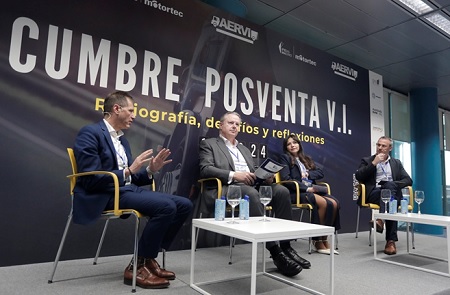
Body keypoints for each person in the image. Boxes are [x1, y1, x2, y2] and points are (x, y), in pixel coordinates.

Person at [73, 91, 193, 289]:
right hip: (105, 194)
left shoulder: (122, 140)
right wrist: (128, 170)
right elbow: (90, 179)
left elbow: (134, 177)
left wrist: (150, 169)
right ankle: (137, 266)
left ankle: (147, 259)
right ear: (116, 109)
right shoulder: (90, 133)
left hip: (127, 191)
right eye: (130, 110)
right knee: (166, 207)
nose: (134, 115)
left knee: (184, 204)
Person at [198, 111, 311, 277]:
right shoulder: (209, 144)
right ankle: (276, 252)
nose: (234, 126)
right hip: (226, 188)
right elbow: (205, 169)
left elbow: (252, 172)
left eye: (237, 124)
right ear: (220, 125)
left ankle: (286, 246)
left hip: (250, 185)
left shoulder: (243, 148)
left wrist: (266, 177)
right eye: (230, 123)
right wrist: (234, 175)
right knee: (249, 193)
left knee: (281, 191)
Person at [279, 134, 340, 255]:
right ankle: (317, 241)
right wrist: (306, 189)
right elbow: (286, 179)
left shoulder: (306, 158)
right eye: (289, 144)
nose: (292, 145)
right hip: (297, 192)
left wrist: (308, 174)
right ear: (286, 147)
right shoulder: (284, 158)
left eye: (294, 142)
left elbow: (320, 172)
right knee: (323, 203)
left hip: (312, 189)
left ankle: (324, 238)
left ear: (299, 144)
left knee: (334, 203)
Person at [355, 136, 412, 255]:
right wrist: (374, 163)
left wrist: (392, 184)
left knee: (390, 194)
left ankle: (381, 219)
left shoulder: (396, 163)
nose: (380, 148)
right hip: (374, 193)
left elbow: (408, 180)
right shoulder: (367, 160)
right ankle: (390, 241)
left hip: (392, 193)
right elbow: (359, 176)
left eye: (383, 146)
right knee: (391, 199)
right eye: (378, 145)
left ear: (390, 148)